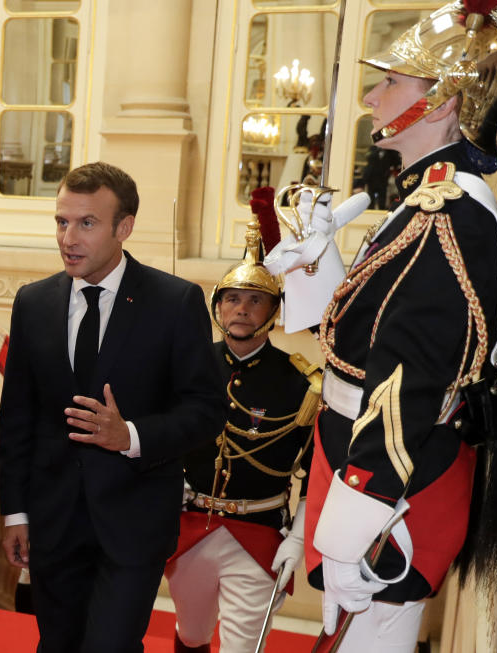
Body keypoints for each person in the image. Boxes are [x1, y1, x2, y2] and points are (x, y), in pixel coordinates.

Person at [264, 0, 497, 650]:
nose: (372, 98)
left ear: (440, 103)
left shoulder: (446, 213)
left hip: (390, 499)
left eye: (390, 83)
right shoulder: (423, 201)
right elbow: (357, 340)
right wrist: (314, 264)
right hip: (361, 471)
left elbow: (406, 386)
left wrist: (349, 536)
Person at [0, 161, 226, 653]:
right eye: (61, 222)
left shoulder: (175, 301)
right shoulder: (33, 302)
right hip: (53, 524)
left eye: (86, 223)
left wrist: (132, 437)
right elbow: (18, 419)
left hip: (133, 525)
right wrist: (15, 513)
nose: (68, 238)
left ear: (125, 227)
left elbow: (207, 410)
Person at [164, 199, 320, 653]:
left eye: (256, 300)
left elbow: (314, 470)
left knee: (242, 646)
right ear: (218, 306)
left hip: (258, 533)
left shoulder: (301, 383)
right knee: (190, 633)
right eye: (232, 298)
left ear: (274, 312)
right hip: (189, 525)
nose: (242, 309)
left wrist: (299, 536)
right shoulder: (187, 367)